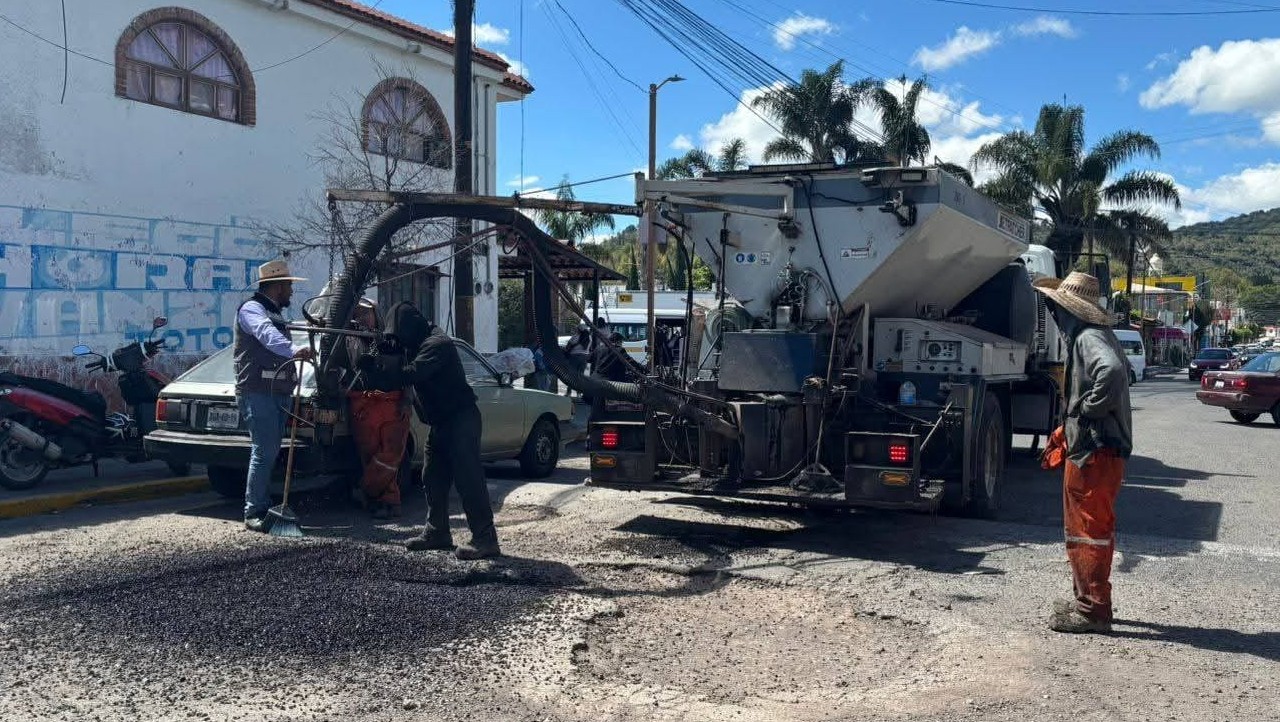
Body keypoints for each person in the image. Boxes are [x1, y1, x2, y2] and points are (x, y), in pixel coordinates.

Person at [1034, 271, 1133, 634]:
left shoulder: (1088, 338)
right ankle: (1092, 602)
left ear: (1069, 311)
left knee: (1087, 531)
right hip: (1098, 451)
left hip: (1095, 453)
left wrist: (1086, 411)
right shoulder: (1096, 335)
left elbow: (1112, 372)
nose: (1054, 314)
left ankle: (1093, 611)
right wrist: (1069, 426)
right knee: (1092, 529)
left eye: (1056, 307)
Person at [371, 302, 500, 560]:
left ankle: (485, 539)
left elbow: (413, 374)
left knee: (468, 478)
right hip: (441, 422)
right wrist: (381, 356)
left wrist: (382, 369)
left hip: (461, 418)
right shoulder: (415, 344)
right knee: (433, 477)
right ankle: (437, 531)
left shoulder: (437, 344)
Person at [235, 260, 313, 533]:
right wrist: (292, 350)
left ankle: (262, 503)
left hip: (277, 392)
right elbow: (265, 335)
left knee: (270, 451)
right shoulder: (252, 310)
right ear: (277, 286)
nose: (291, 291)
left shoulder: (275, 312)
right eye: (289, 286)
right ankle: (253, 510)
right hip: (258, 392)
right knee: (264, 450)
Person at [343, 298, 410, 520]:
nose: (361, 318)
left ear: (376, 314)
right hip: (364, 403)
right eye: (357, 314)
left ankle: (365, 491)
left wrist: (407, 400)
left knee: (390, 454)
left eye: (365, 313)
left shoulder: (393, 340)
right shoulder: (347, 340)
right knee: (370, 454)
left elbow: (408, 371)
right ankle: (386, 501)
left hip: (392, 402)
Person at [563, 324, 592, 396]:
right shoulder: (589, 338)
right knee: (580, 375)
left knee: (571, 374)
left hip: (574, 357)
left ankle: (568, 392)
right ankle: (578, 392)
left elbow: (568, 345)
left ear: (579, 330)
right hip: (584, 357)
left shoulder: (575, 336)